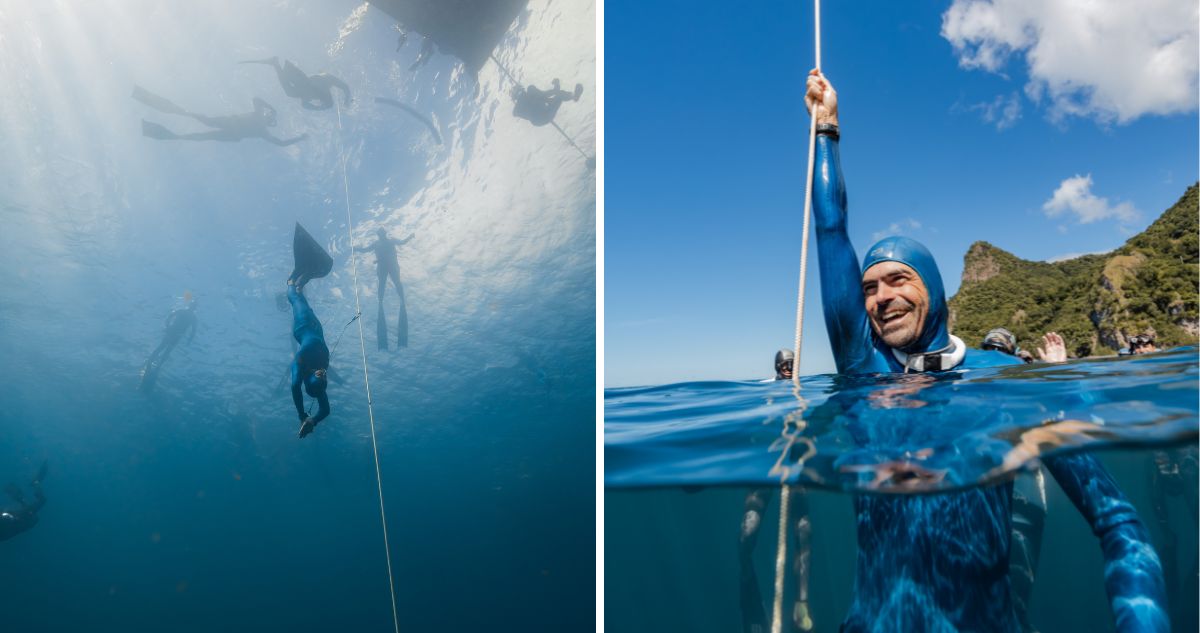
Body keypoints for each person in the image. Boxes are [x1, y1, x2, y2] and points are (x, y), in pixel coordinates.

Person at [805, 70, 1166, 631]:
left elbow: (1118, 522)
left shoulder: (1009, 381)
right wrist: (826, 128)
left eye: (899, 280)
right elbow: (830, 231)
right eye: (869, 288)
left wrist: (1143, 620)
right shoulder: (863, 368)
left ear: (934, 286)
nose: (881, 298)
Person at [741, 349, 813, 633]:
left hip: (795, 470)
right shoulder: (765, 390)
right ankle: (746, 580)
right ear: (776, 366)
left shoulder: (805, 390)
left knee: (804, 530)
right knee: (748, 529)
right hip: (766, 468)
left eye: (792, 364)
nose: (788, 368)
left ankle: (802, 601)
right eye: (784, 364)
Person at [133, 85, 307, 146]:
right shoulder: (262, 127)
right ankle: (159, 131)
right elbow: (281, 143)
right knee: (198, 130)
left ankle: (157, 127)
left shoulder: (260, 120)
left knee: (196, 121)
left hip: (230, 129)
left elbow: (256, 99)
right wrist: (299, 138)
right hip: (231, 131)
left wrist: (270, 108)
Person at [287, 223, 334, 439]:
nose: (323, 373)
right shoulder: (320, 387)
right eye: (324, 376)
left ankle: (296, 274)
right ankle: (304, 276)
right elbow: (326, 410)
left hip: (304, 324)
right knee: (300, 296)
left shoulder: (302, 361)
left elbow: (295, 386)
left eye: (320, 375)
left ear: (313, 379)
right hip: (314, 325)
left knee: (294, 297)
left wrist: (302, 416)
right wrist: (313, 420)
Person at [355, 227, 414, 350]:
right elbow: (366, 250)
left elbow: (402, 242)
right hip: (383, 267)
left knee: (397, 282)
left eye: (382, 233)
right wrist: (356, 249)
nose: (381, 235)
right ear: (379, 234)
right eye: (380, 233)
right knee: (383, 284)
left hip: (391, 266)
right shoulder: (378, 243)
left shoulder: (390, 241)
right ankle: (382, 301)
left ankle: (400, 299)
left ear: (384, 233)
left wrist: (410, 236)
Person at [240, 57, 351, 111]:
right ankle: (276, 64)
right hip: (302, 80)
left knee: (290, 93)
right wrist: (346, 98)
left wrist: (317, 108)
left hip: (301, 84)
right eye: (323, 102)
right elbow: (344, 86)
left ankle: (275, 64)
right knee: (294, 90)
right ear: (326, 98)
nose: (321, 102)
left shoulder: (316, 95)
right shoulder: (327, 82)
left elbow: (305, 104)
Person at [139, 295, 198, 392]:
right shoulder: (189, 315)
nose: (192, 307)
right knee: (164, 349)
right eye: (192, 305)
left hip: (174, 333)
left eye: (193, 306)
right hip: (174, 333)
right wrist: (167, 326)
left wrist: (167, 325)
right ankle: (155, 363)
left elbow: (170, 317)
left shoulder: (187, 314)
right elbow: (192, 330)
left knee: (165, 349)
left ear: (192, 306)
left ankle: (155, 363)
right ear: (192, 306)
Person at [1, 461, 46, 542]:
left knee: (38, 502)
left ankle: (34, 483)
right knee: (40, 501)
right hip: (17, 521)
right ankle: (35, 483)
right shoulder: (24, 519)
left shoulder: (23, 520)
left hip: (16, 522)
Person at [511, 79, 584, 127]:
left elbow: (544, 97)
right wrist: (556, 88)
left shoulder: (521, 103)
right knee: (558, 96)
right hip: (542, 115)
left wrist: (556, 88)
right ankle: (573, 96)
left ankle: (574, 96)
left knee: (557, 96)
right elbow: (544, 95)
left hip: (540, 118)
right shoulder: (529, 92)